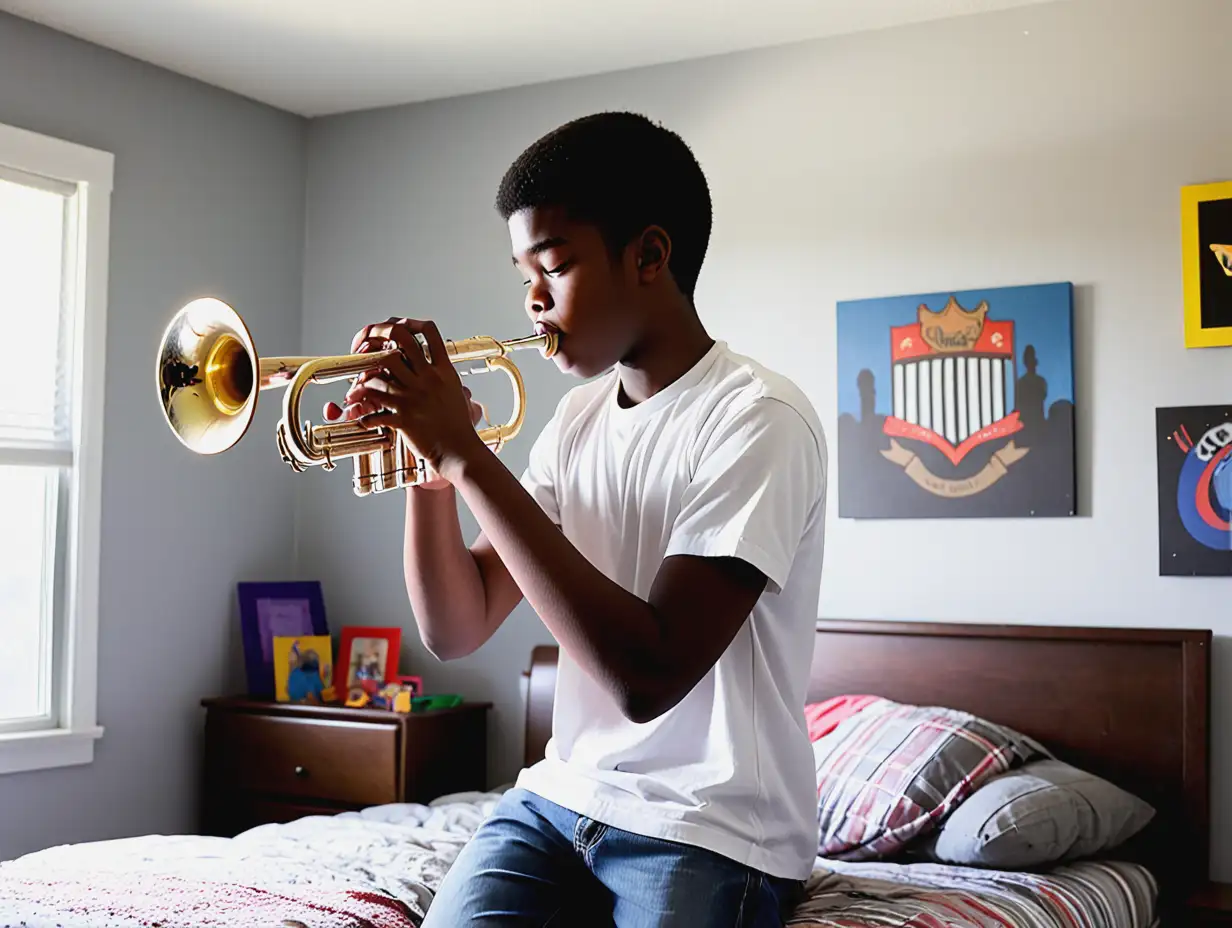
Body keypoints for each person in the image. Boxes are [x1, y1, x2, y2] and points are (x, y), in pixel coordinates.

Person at [324, 112, 828, 927]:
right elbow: (457, 626)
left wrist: (468, 457)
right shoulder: (577, 420)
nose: (531, 299)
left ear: (650, 257)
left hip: (710, 828)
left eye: (553, 267)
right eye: (521, 272)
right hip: (559, 802)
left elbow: (646, 676)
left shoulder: (759, 419)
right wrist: (430, 470)